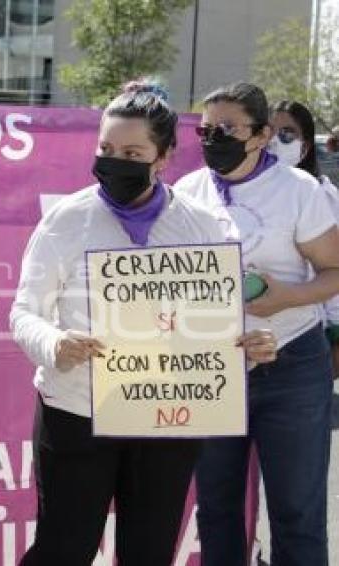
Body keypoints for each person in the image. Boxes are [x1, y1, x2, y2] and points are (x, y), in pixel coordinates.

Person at [11, 81, 277, 566]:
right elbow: (23, 312)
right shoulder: (66, 220)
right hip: (76, 412)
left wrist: (250, 343)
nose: (115, 161)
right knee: (63, 549)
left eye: (132, 151)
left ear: (164, 156)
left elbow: (219, 321)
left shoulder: (200, 224)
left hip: (166, 419)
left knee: (149, 551)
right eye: (106, 149)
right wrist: (53, 341)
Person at [174, 82, 339, 566]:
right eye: (205, 130)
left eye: (227, 128)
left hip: (291, 367)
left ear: (262, 134)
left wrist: (287, 298)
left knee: (296, 514)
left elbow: (335, 272)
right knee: (217, 510)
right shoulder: (189, 191)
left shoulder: (299, 191)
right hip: (214, 370)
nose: (212, 139)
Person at [270, 100, 339, 378]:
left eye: (287, 134)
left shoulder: (324, 197)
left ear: (306, 146)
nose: (275, 142)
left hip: (309, 340)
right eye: (269, 132)